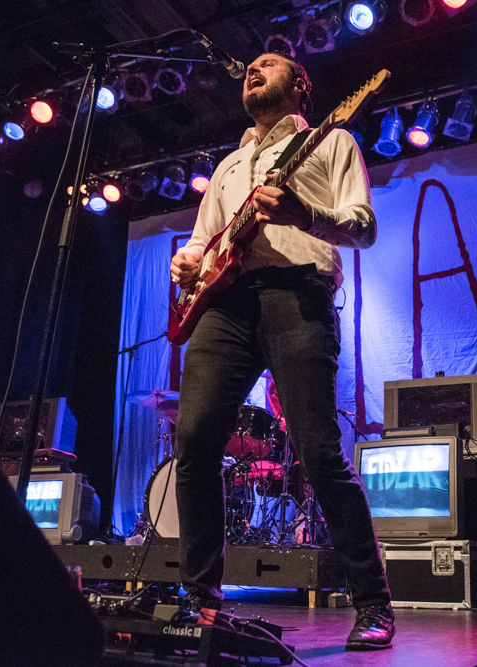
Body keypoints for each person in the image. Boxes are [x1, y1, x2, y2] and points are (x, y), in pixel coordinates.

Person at [169, 52, 395, 650]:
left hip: (298, 293)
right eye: (250, 65)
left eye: (269, 64)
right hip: (225, 306)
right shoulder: (227, 166)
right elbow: (202, 242)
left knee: (318, 451)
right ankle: (200, 598)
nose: (253, 68)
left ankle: (373, 602)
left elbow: (363, 226)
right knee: (194, 441)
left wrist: (305, 214)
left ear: (300, 86)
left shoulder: (332, 140)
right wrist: (187, 262)